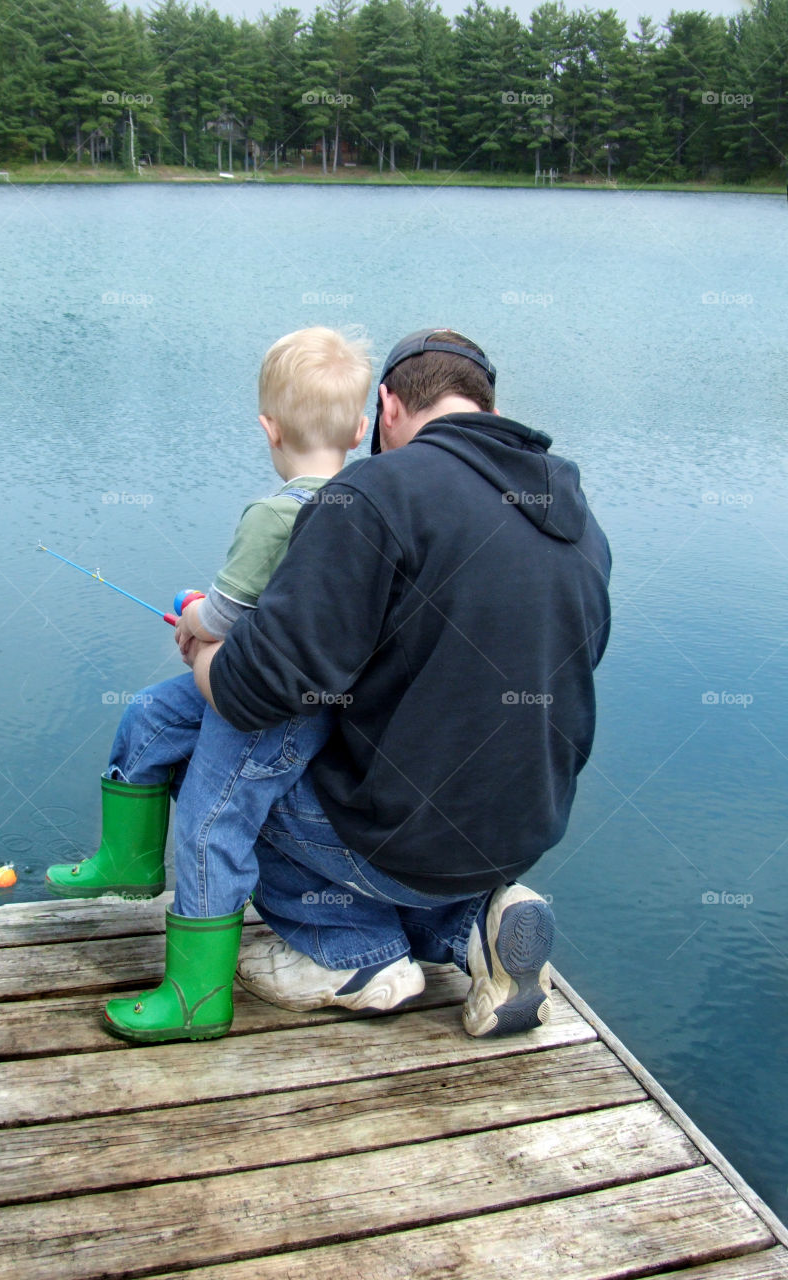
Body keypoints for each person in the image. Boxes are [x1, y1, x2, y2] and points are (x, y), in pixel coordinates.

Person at [184, 328, 612, 1037]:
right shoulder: (577, 518)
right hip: (516, 833)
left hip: (397, 839)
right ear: (484, 405)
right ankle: (475, 926)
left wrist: (204, 655)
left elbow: (256, 687)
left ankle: (352, 954)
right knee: (410, 796)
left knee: (229, 760)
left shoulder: (376, 492)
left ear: (385, 408)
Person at [44, 326, 370, 1043]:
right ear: (359, 427)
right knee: (153, 715)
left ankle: (197, 995)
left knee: (207, 824)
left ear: (269, 427)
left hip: (264, 710)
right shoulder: (367, 508)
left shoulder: (274, 512)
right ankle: (127, 861)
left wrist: (193, 612)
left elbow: (224, 610)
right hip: (288, 690)